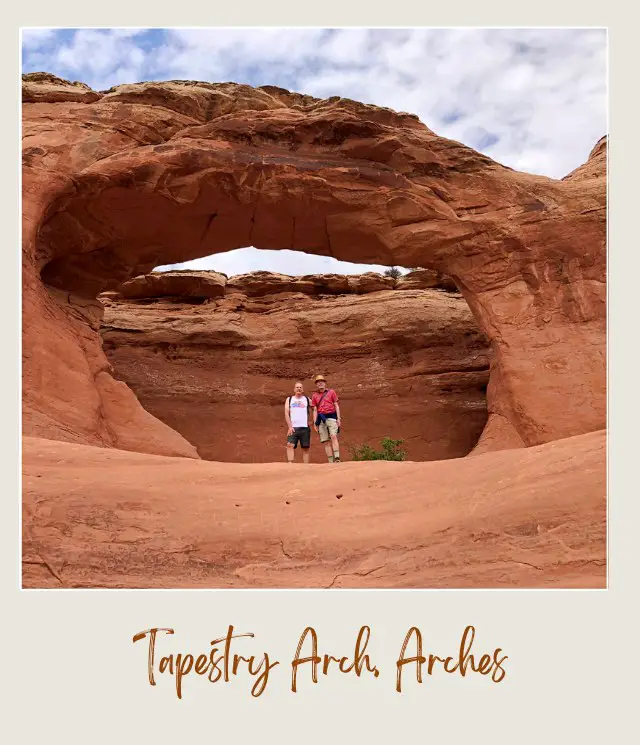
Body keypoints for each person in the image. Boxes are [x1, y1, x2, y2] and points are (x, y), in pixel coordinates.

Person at [311, 374, 342, 463]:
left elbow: (336, 405)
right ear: (316, 384)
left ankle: (337, 458)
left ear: (325, 383)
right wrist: (315, 423)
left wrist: (338, 418)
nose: (320, 383)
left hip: (331, 417)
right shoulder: (314, 396)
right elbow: (315, 410)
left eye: (321, 381)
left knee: (333, 436)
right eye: (318, 382)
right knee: (326, 441)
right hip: (321, 420)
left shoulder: (331, 392)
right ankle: (330, 461)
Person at [284, 381, 312, 464]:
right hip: (293, 427)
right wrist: (289, 426)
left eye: (300, 387)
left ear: (302, 389)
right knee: (290, 445)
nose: (299, 389)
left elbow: (315, 408)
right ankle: (290, 464)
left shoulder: (307, 399)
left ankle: (306, 466)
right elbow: (286, 412)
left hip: (304, 427)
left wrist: (313, 421)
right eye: (297, 387)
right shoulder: (289, 399)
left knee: (305, 448)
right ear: (294, 389)